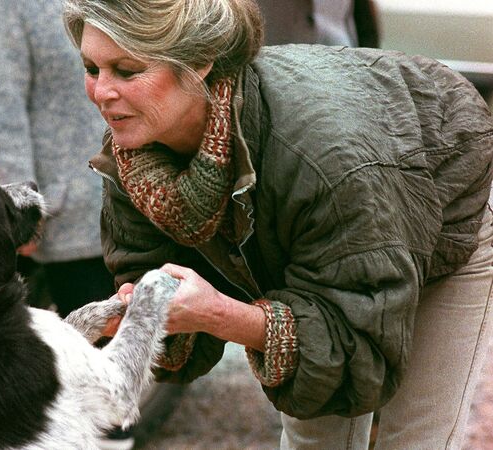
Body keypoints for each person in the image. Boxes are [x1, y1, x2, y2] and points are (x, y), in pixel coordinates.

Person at [62, 0, 493, 448]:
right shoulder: (134, 155)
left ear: (199, 62)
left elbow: (358, 351)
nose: (101, 92)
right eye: (93, 68)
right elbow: (154, 278)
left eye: (127, 71)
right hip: (335, 229)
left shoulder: (323, 159)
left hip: (442, 207)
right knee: (313, 439)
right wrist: (143, 317)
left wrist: (220, 313)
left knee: (414, 440)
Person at [0, 0, 130, 448]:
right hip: (70, 215)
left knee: (127, 367)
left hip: (137, 201)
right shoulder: (5, 5)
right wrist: (19, 210)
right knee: (91, 376)